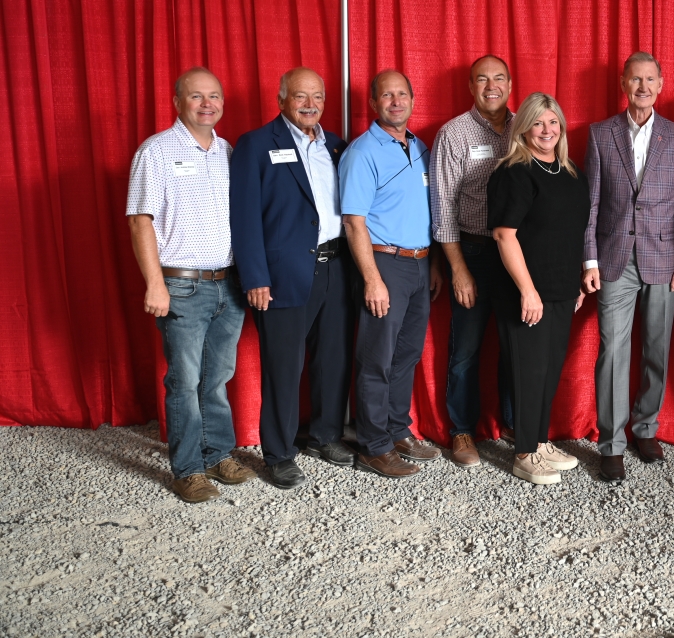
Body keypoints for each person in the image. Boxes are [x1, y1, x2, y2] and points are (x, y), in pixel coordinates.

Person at [126, 68, 251, 503]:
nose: (206, 104)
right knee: (185, 380)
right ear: (177, 101)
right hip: (181, 286)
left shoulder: (229, 152)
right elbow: (140, 220)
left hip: (228, 284)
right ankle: (187, 470)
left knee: (217, 377)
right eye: (196, 96)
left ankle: (217, 454)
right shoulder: (156, 152)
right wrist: (154, 284)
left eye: (214, 96)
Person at [229, 67, 353, 490]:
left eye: (316, 96)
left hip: (337, 267)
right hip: (281, 275)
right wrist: (255, 277)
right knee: (284, 367)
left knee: (332, 360)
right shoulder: (257, 145)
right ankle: (280, 453)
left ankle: (325, 436)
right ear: (281, 99)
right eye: (300, 96)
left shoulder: (337, 146)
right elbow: (243, 218)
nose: (310, 104)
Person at [581, 52, 674, 482]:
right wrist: (589, 258)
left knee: (657, 348)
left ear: (661, 84)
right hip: (613, 260)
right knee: (612, 350)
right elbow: (590, 203)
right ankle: (610, 443)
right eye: (635, 80)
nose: (643, 87)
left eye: (650, 80)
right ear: (624, 85)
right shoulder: (599, 134)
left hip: (664, 261)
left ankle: (645, 427)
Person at [340, 70, 443, 478]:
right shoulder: (362, 152)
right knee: (376, 358)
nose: (396, 101)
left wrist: (432, 264)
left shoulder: (420, 147)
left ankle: (396, 428)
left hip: (420, 263)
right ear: (373, 103)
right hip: (384, 264)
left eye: (402, 94)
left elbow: (430, 212)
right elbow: (353, 221)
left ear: (413, 100)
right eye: (387, 95)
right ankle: (372, 444)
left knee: (407, 355)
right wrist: (371, 279)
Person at [488, 92, 590, 485]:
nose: (547, 130)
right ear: (524, 128)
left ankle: (541, 441)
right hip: (525, 291)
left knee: (548, 371)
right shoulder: (513, 172)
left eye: (553, 122)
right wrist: (528, 291)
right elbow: (504, 235)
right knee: (528, 371)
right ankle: (524, 453)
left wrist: (574, 281)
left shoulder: (570, 171)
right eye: (538, 123)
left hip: (562, 288)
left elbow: (571, 232)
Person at [430, 55, 517, 467]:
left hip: (517, 256)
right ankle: (462, 430)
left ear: (510, 83)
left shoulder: (527, 126)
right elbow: (443, 205)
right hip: (475, 252)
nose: (491, 86)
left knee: (516, 344)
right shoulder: (454, 133)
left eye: (498, 78)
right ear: (470, 86)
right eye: (482, 79)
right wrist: (458, 268)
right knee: (465, 348)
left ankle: (516, 426)